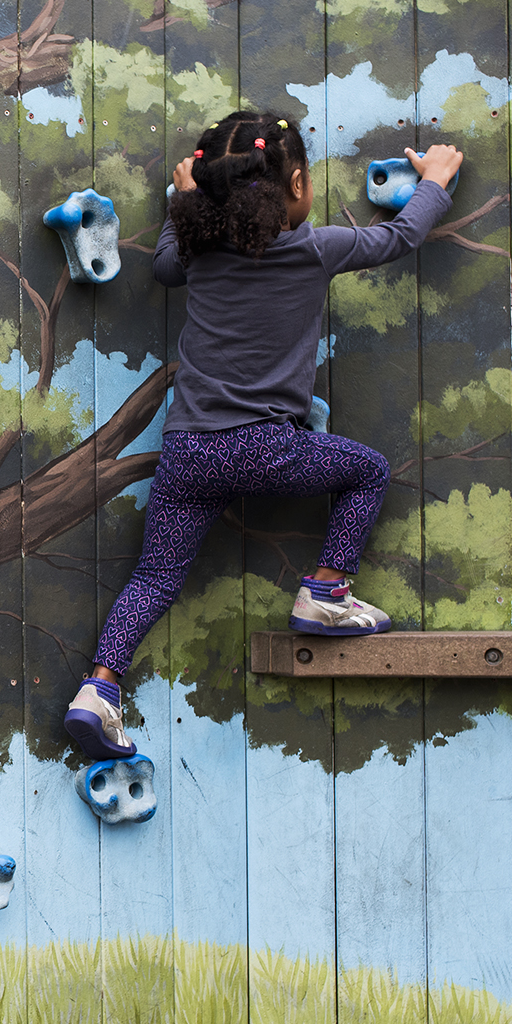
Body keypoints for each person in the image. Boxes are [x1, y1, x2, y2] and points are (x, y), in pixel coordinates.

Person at [64, 111, 464, 762]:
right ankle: (328, 591)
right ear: (299, 183)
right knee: (367, 471)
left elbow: (165, 266)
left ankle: (99, 689)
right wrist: (437, 180)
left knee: (155, 578)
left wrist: (183, 201)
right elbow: (399, 236)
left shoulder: (197, 253)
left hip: (189, 451)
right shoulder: (314, 249)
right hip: (266, 449)